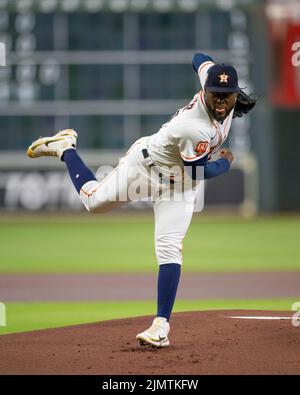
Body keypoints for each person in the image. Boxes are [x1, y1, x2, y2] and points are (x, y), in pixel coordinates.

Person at [27, 53, 256, 348]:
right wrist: (225, 163)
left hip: (178, 188)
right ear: (204, 92)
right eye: (216, 94)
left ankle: (160, 326)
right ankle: (65, 147)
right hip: (145, 170)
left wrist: (212, 70)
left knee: (170, 248)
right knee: (93, 203)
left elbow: (199, 58)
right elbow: (199, 169)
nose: (221, 101)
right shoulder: (194, 126)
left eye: (227, 95)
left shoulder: (215, 86)